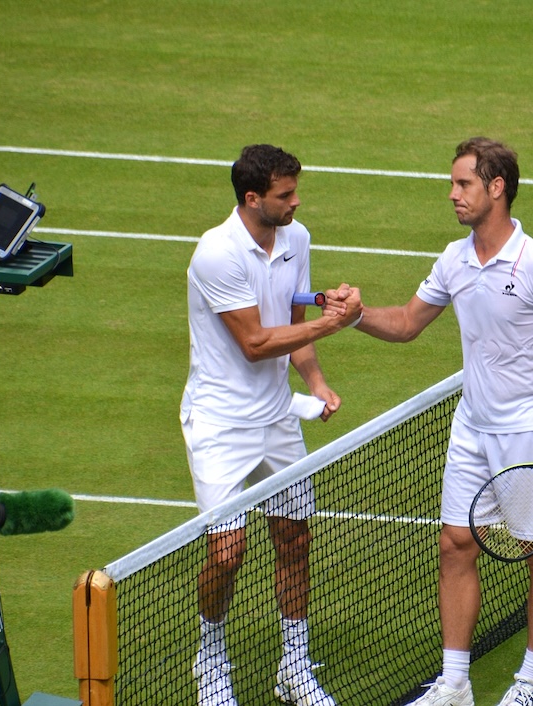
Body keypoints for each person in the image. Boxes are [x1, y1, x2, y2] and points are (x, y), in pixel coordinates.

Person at [336, 137, 533, 706]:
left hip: (530, 432)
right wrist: (354, 318)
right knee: (455, 544)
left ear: (496, 188)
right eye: (453, 184)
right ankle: (455, 683)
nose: (452, 194)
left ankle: (532, 681)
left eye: (463, 184)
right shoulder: (453, 260)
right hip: (472, 428)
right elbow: (405, 323)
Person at [182, 144, 362, 706]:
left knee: (294, 538)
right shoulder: (216, 254)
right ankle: (210, 653)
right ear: (252, 197)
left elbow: (291, 322)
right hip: (218, 424)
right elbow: (258, 343)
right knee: (226, 553)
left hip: (277, 415)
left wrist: (317, 382)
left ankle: (294, 662)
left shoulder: (297, 239)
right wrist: (334, 326)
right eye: (286, 195)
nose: (296, 201)